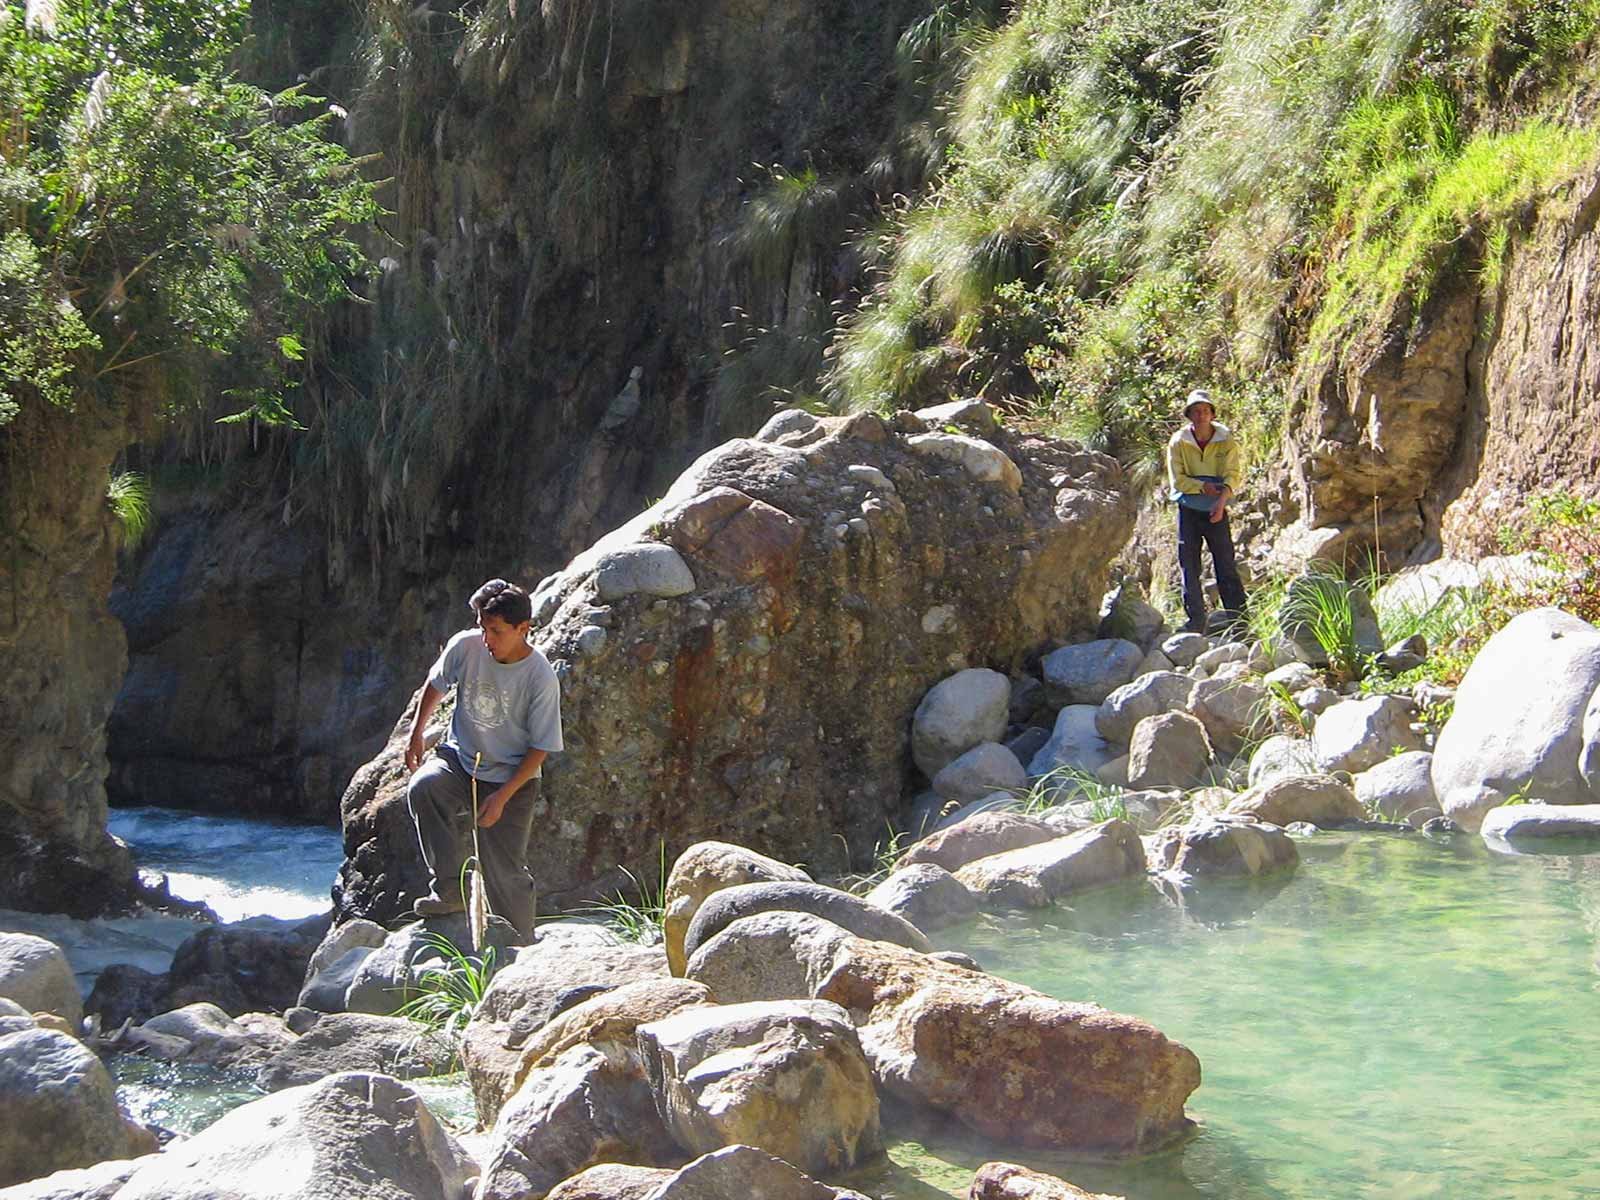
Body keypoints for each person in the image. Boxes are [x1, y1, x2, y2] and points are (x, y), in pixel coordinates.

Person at [404, 578, 562, 940]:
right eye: (482, 627)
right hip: (460, 761)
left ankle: (519, 943)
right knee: (425, 787)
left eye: (496, 631)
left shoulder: (540, 677)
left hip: (511, 776)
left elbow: (542, 746)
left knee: (505, 872)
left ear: (523, 629)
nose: (487, 639)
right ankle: (449, 890)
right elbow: (437, 683)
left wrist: (502, 796)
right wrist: (416, 733)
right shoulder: (466, 647)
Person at [1166, 389, 1248, 634]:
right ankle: (1195, 622)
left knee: (1225, 563)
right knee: (1189, 565)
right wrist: (1202, 486)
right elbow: (1177, 480)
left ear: (1212, 413)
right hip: (1188, 509)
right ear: (1189, 415)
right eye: (1196, 411)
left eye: (1205, 411)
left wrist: (1221, 502)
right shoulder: (1178, 441)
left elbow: (1232, 474)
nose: (1201, 416)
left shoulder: (1225, 438)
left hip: (1217, 507)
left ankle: (1239, 624)